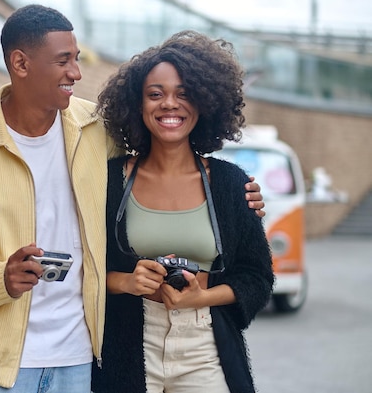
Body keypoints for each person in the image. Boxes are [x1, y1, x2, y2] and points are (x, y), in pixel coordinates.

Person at [0, 5, 265, 393]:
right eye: (64, 61)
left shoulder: (97, 132)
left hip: (80, 357)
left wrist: (240, 196)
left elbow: (165, 153)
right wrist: (0, 278)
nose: (76, 73)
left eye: (76, 60)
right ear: (20, 63)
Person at [90, 31, 275, 393]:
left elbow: (257, 277)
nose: (169, 104)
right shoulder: (108, 180)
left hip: (204, 346)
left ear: (205, 103)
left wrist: (202, 297)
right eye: (155, 94)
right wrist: (125, 282)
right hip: (128, 344)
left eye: (184, 94)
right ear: (137, 105)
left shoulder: (231, 184)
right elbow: (84, 267)